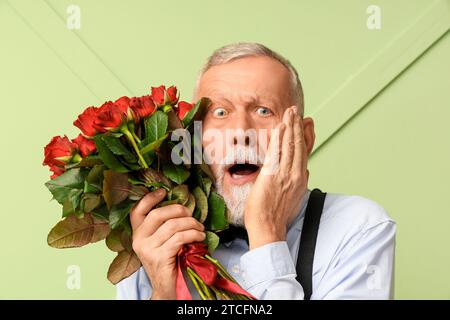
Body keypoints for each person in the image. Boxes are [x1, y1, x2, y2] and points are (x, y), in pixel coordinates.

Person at [116, 42, 396, 300]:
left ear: (305, 137)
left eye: (263, 111)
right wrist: (163, 292)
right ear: (191, 138)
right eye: (221, 113)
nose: (240, 132)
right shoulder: (154, 239)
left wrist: (267, 234)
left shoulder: (358, 228)